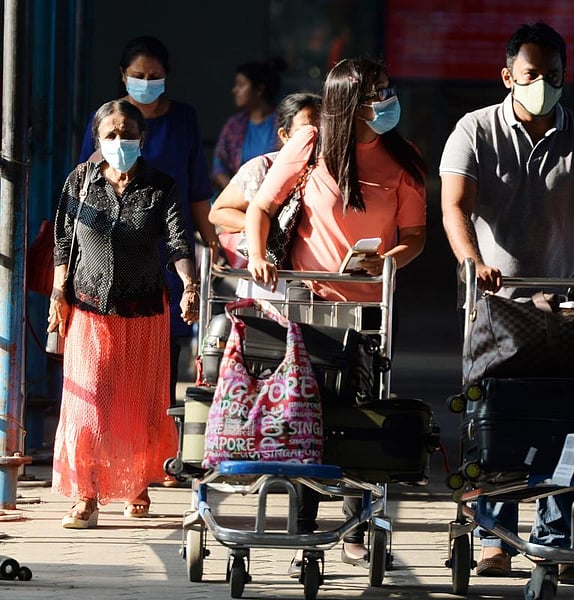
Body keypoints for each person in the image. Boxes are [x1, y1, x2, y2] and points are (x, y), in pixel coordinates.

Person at [439, 22, 574, 579]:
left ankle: (554, 538)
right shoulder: (474, 131)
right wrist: (475, 264)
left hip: (568, 303)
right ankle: (494, 537)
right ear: (507, 76)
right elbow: (455, 205)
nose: (542, 84)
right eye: (531, 75)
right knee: (497, 418)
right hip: (496, 305)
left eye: (553, 75)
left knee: (569, 420)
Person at [244, 57, 426, 573]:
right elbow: (260, 206)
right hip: (308, 307)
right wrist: (259, 255)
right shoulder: (310, 144)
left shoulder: (403, 159)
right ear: (348, 101)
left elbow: (414, 238)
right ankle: (303, 528)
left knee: (364, 415)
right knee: (309, 417)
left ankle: (358, 526)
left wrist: (388, 260)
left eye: (389, 89)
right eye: (376, 93)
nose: (387, 101)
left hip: (369, 310)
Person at [50, 100, 199, 528]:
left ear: (142, 139)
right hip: (88, 306)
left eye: (127, 135)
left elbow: (177, 242)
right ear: (97, 139)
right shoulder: (80, 181)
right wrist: (58, 293)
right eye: (111, 135)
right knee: (88, 401)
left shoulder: (161, 186)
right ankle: (86, 494)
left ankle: (137, 482)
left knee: (136, 401)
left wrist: (189, 284)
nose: (119, 142)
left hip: (144, 310)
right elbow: (63, 240)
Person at [77, 35, 217, 407]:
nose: (146, 81)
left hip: (170, 249)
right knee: (108, 350)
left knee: (165, 341)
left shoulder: (183, 118)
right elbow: (79, 189)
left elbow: (197, 188)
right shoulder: (105, 119)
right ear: (123, 75)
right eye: (139, 74)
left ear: (167, 76)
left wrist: (212, 245)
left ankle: (156, 429)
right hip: (110, 252)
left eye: (154, 75)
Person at [210, 92, 322, 267]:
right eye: (305, 131)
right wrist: (262, 228)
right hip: (268, 277)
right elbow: (218, 213)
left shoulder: (332, 170)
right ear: (285, 135)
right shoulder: (263, 168)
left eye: (321, 130)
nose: (314, 137)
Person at [211, 59, 286, 191]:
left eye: (241, 85)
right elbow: (219, 165)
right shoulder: (234, 125)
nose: (234, 90)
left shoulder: (284, 123)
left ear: (259, 89)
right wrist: (235, 192)